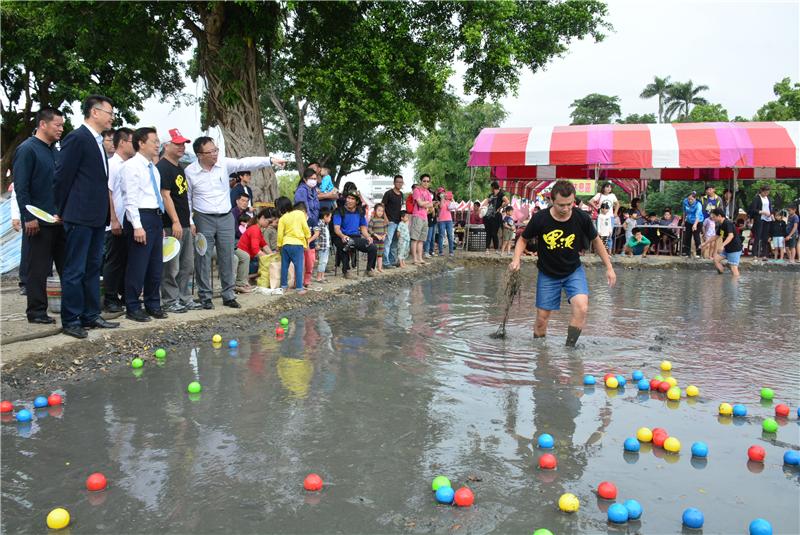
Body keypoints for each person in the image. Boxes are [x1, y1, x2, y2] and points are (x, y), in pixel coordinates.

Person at [510, 180, 616, 347]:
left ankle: (570, 349)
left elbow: (596, 241)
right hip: (548, 273)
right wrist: (516, 259)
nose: (566, 209)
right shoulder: (540, 218)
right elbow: (523, 239)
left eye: (570, 204)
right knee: (541, 320)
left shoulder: (581, 217)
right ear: (552, 200)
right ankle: (541, 355)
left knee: (581, 307)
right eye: (561, 205)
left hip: (573, 271)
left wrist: (609, 267)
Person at [185, 137, 285, 309]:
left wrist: (270, 160)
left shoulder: (223, 164)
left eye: (216, 150)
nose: (215, 154)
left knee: (227, 256)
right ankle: (205, 297)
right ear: (200, 154)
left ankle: (228, 294)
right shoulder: (190, 171)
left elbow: (244, 162)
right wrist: (190, 221)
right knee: (203, 257)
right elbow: (187, 199)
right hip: (203, 217)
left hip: (225, 218)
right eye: (210, 152)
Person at [54, 94, 120, 339]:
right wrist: (61, 210)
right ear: (95, 112)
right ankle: (71, 319)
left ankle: (91, 314)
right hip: (78, 215)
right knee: (75, 269)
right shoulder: (77, 138)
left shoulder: (97, 141)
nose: (111, 117)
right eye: (109, 112)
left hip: (95, 217)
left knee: (93, 267)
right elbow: (62, 177)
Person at [13, 107, 66, 324]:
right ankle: (36, 312)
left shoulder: (55, 151)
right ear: (43, 124)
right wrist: (28, 217)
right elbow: (21, 187)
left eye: (62, 125)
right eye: (58, 125)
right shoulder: (27, 149)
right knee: (38, 269)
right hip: (37, 220)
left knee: (66, 266)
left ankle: (71, 307)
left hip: (58, 220)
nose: (61, 129)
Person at [119, 127, 167, 322]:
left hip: (155, 217)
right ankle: (132, 305)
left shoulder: (152, 168)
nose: (158, 145)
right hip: (140, 217)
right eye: (154, 141)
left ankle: (152, 303)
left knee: (155, 265)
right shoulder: (131, 167)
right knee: (138, 265)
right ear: (141, 143)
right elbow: (130, 199)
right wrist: (137, 225)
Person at [158, 128, 199, 313]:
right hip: (170, 224)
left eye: (183, 143)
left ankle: (184, 297)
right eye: (178, 143)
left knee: (187, 264)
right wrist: (174, 221)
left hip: (184, 222)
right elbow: (165, 196)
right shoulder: (163, 167)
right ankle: (169, 299)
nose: (182, 147)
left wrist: (188, 221)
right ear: (167, 146)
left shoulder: (179, 167)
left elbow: (184, 198)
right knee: (171, 266)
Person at [102, 127, 134, 313]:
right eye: (132, 141)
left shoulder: (129, 165)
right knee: (114, 261)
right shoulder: (112, 165)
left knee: (126, 260)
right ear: (121, 142)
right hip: (116, 222)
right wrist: (114, 219)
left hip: (129, 220)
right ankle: (110, 298)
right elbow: (109, 192)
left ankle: (123, 295)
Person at [332, 191, 378, 278]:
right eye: (348, 198)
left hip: (355, 237)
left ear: (356, 201)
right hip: (340, 237)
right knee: (346, 244)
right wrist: (342, 236)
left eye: (352, 199)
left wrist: (368, 236)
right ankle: (346, 271)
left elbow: (363, 228)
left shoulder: (360, 212)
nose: (349, 200)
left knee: (373, 247)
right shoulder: (339, 211)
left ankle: (369, 269)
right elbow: (336, 229)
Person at [233, 208, 271, 292]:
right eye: (269, 222)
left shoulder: (257, 229)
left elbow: (264, 244)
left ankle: (243, 281)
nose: (269, 224)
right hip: (244, 259)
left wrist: (271, 255)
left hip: (249, 258)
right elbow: (255, 250)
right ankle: (241, 283)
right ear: (262, 218)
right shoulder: (255, 229)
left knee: (265, 262)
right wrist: (269, 259)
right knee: (261, 264)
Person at [294, 167, 320, 288]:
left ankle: (307, 280)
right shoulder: (301, 190)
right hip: (304, 224)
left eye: (315, 179)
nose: (314, 181)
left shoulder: (314, 190)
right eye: (311, 179)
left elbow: (316, 207)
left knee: (311, 257)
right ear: (305, 179)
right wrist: (308, 220)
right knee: (302, 256)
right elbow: (302, 209)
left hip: (313, 222)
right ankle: (298, 280)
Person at [277, 201, 310, 293]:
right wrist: (308, 237)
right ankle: (299, 288)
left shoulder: (282, 218)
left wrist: (279, 245)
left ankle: (283, 286)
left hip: (285, 244)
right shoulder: (300, 214)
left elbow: (280, 234)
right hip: (297, 244)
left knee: (284, 266)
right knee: (298, 266)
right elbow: (305, 228)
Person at [701, 208, 742, 277]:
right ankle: (721, 277)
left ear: (719, 216)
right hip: (727, 249)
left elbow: (730, 236)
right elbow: (716, 236)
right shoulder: (721, 225)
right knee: (716, 259)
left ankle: (735, 285)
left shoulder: (727, 223)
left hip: (734, 249)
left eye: (714, 217)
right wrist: (705, 243)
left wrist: (722, 245)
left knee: (733, 268)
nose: (712, 218)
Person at [380, 175, 404, 267]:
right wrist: (386, 219)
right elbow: (382, 206)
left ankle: (392, 260)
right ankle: (385, 262)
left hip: (398, 222)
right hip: (390, 222)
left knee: (394, 242)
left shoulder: (401, 194)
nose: (399, 184)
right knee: (387, 242)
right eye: (398, 182)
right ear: (394, 183)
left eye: (401, 182)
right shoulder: (388, 193)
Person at [410, 175, 433, 265]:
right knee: (415, 239)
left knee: (421, 240)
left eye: (428, 181)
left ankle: (420, 258)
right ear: (421, 181)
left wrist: (425, 203)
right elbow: (419, 203)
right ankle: (414, 259)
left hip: (425, 217)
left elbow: (431, 205)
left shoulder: (427, 192)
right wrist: (426, 203)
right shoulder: (416, 190)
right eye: (424, 181)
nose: (426, 183)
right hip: (417, 216)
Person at [748, 185, 773, 259]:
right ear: (761, 191)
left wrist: (771, 214)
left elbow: (770, 208)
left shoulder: (768, 198)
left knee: (765, 237)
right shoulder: (757, 198)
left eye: (768, 192)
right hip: (759, 218)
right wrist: (762, 212)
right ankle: (754, 254)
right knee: (757, 236)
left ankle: (764, 254)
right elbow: (753, 209)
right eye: (765, 192)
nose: (766, 194)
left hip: (767, 219)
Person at [483, 181, 507, 251]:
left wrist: (500, 208)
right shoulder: (490, 195)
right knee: (488, 232)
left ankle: (496, 248)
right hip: (488, 215)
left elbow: (507, 201)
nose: (491, 189)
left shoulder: (501, 194)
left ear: (493, 187)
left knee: (494, 233)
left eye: (491, 187)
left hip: (496, 215)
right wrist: (482, 208)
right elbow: (485, 202)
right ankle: (487, 248)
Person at [681, 191, 704, 257]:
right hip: (688, 221)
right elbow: (684, 211)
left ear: (695, 199)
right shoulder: (685, 202)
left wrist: (695, 225)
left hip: (698, 221)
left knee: (696, 237)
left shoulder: (698, 204)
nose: (690, 201)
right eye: (689, 199)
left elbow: (698, 215)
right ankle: (687, 253)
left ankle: (698, 253)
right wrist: (683, 221)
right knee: (687, 236)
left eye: (692, 199)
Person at [368, 202, 388, 272]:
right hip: (374, 240)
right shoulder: (372, 220)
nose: (380, 212)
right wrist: (376, 235)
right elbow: (369, 229)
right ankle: (373, 268)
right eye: (379, 210)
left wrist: (384, 235)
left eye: (382, 211)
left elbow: (386, 230)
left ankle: (379, 268)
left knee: (380, 254)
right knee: (374, 254)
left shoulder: (383, 221)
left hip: (381, 241)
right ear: (375, 211)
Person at [314, 209, 332, 283]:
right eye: (330, 217)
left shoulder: (325, 225)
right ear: (325, 216)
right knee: (322, 262)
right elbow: (316, 235)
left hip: (326, 246)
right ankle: (318, 277)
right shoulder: (319, 224)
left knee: (325, 261)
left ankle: (322, 276)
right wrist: (317, 244)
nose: (330, 219)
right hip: (322, 246)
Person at [437, 189, 456, 257]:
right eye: (441, 193)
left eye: (443, 192)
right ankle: (440, 251)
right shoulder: (438, 202)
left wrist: (452, 198)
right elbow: (441, 206)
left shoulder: (448, 201)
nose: (443, 194)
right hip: (441, 220)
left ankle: (451, 251)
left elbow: (454, 207)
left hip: (449, 220)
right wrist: (442, 198)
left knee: (450, 236)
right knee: (441, 236)